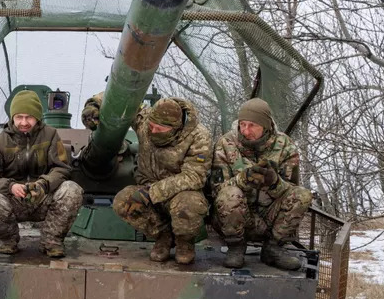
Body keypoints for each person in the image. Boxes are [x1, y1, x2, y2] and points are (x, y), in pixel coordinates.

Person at [0, 89, 84, 257]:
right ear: (12, 117)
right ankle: (8, 240)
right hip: (14, 199)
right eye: (19, 117)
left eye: (29, 117)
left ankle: (51, 241)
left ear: (37, 117)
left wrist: (44, 184)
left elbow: (62, 168)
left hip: (42, 196)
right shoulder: (0, 141)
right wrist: (10, 186)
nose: (24, 122)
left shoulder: (50, 135)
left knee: (72, 189)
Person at [211, 98, 312, 270]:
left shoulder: (285, 145)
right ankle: (236, 247)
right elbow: (216, 189)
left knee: (303, 195)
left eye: (252, 125)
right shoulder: (226, 144)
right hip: (236, 218)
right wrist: (244, 179)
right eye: (242, 124)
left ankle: (272, 249)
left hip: (269, 217)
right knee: (229, 194)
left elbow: (291, 189)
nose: (245, 130)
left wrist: (274, 182)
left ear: (265, 125)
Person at [111, 97, 212, 264]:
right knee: (123, 201)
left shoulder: (199, 136)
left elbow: (194, 176)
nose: (153, 131)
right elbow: (125, 98)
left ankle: (184, 242)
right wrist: (94, 104)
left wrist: (153, 192)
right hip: (147, 187)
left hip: (181, 192)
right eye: (151, 126)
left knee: (189, 206)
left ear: (176, 128)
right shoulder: (145, 122)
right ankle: (163, 237)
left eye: (159, 129)